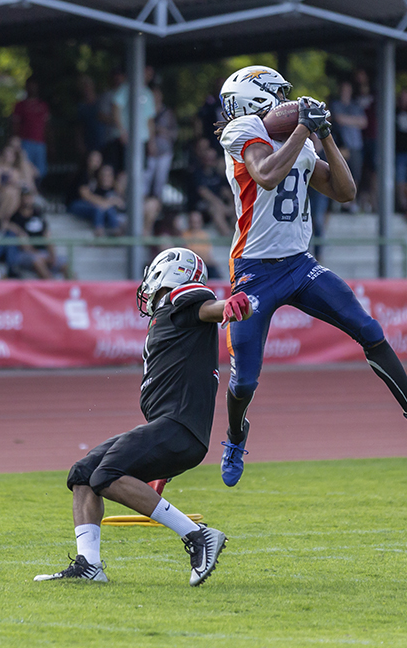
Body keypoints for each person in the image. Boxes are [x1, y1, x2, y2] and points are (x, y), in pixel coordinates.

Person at [216, 65, 407, 487]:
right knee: (245, 380)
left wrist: (326, 135)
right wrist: (302, 130)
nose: (286, 103)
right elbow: (267, 176)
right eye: (278, 96)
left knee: (369, 329)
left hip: (299, 263)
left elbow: (345, 192)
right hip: (254, 270)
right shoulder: (241, 130)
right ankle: (236, 436)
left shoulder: (298, 142)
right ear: (255, 98)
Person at [36, 248, 249, 585]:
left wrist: (228, 307)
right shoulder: (168, 315)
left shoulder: (182, 298)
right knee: (83, 474)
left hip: (179, 426)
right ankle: (89, 565)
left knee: (106, 475)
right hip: (166, 427)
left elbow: (207, 308)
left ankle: (198, 536)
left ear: (168, 274)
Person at [11, 77, 50, 179]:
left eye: (34, 86)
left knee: (41, 171)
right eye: (30, 85)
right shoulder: (20, 105)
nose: (32, 88)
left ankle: (37, 187)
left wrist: (50, 143)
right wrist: (16, 142)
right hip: (25, 142)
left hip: (40, 143)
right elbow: (15, 126)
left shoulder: (43, 105)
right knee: (25, 168)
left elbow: (47, 126)